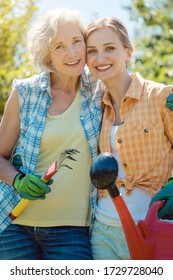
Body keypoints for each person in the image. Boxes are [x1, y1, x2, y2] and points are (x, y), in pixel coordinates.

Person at [0, 8, 104, 260]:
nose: (72, 53)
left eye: (77, 41)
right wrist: (18, 180)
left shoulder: (101, 89)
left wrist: (160, 97)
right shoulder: (25, 92)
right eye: (59, 46)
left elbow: (136, 87)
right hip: (14, 225)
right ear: (47, 53)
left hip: (72, 230)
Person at [85, 17, 173, 260]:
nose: (100, 58)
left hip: (152, 229)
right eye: (92, 51)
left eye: (109, 48)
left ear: (128, 52)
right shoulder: (95, 107)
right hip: (103, 232)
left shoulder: (161, 97)